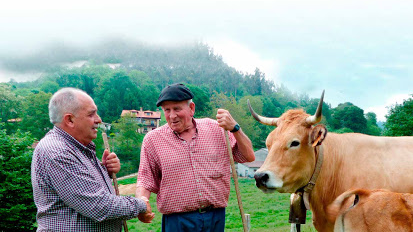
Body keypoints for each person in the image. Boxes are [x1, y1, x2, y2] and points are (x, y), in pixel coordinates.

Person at [136, 83, 255, 232]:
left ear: (191, 108)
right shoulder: (153, 140)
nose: (172, 115)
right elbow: (145, 179)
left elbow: (248, 156)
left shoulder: (217, 129)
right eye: (167, 110)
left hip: (215, 217)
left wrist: (235, 128)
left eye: (177, 109)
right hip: (177, 221)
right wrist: (142, 203)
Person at [31, 87, 155, 231]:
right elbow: (98, 206)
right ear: (70, 120)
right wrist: (140, 204)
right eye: (91, 114)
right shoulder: (57, 151)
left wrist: (105, 172)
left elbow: (81, 189)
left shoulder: (77, 147)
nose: (99, 119)